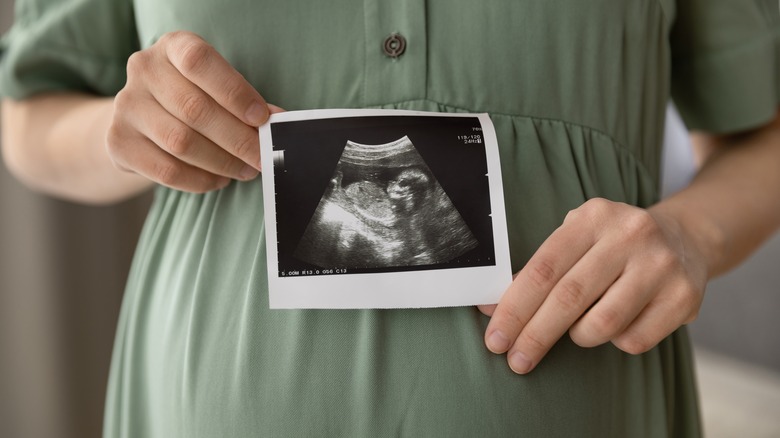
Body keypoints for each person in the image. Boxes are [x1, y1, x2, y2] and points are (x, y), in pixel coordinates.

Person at [1, 0, 779, 436]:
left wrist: (692, 234)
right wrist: (126, 132)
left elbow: (761, 129)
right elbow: (27, 114)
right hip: (205, 403)